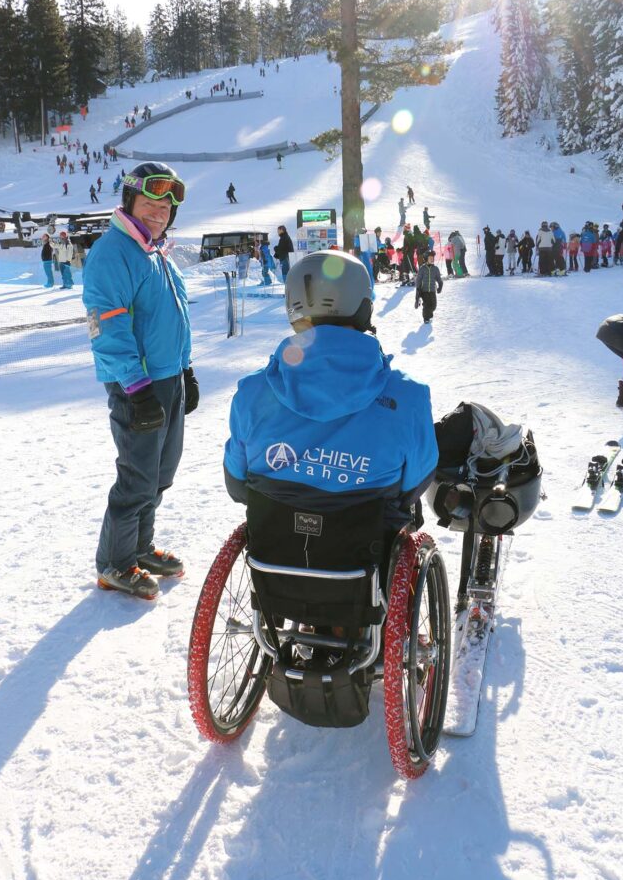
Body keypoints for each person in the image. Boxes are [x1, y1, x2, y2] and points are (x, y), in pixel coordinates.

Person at [223, 250, 438, 535]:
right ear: (363, 307)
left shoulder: (252, 392)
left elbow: (237, 484)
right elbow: (415, 482)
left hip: (276, 551)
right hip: (366, 551)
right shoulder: (407, 397)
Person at [83, 161, 198, 599]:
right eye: (150, 204)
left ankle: (140, 548)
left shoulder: (153, 251)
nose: (158, 213)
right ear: (130, 201)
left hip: (167, 379)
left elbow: (174, 319)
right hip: (138, 385)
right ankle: (114, 562)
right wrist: (136, 388)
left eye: (165, 208)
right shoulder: (114, 252)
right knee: (136, 476)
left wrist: (184, 369)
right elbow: (107, 326)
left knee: (160, 473)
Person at [414, 251, 443, 324]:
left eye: (433, 258)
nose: (432, 259)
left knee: (433, 305)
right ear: (426, 259)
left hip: (432, 290)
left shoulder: (435, 269)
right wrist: (418, 289)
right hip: (424, 290)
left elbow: (438, 278)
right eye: (430, 258)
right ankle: (426, 318)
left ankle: (429, 315)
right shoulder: (422, 268)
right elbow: (419, 279)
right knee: (426, 305)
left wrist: (440, 285)